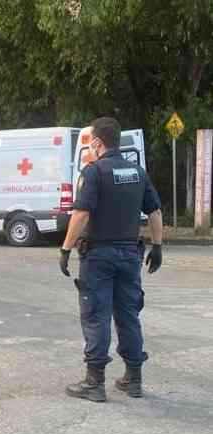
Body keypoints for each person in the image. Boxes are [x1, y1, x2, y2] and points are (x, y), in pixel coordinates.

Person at [59, 117, 164, 403]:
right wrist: (157, 246)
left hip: (99, 256)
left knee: (96, 315)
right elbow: (154, 212)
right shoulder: (137, 172)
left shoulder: (94, 172)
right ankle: (133, 379)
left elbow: (81, 214)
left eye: (90, 142)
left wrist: (66, 249)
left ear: (97, 142)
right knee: (128, 314)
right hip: (130, 254)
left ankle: (94, 383)